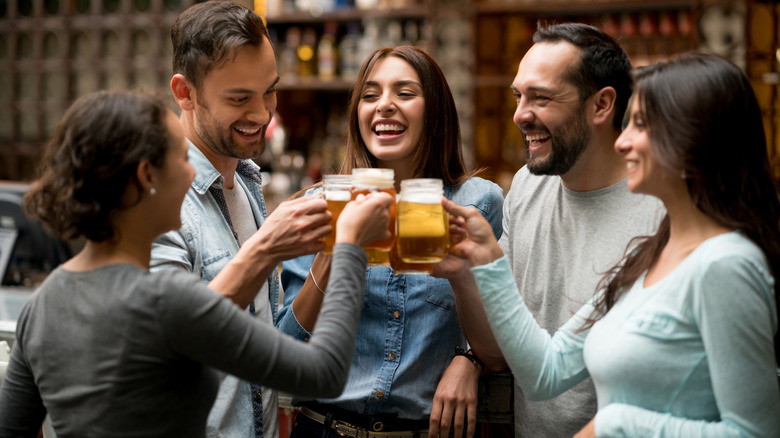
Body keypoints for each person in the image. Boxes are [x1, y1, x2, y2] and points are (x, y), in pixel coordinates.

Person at [0, 90, 395, 437]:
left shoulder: (44, 302)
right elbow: (323, 372)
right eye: (181, 159)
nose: (193, 173)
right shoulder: (168, 299)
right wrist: (349, 246)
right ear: (146, 176)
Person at [443, 52, 780, 437]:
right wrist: (486, 257)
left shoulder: (727, 265)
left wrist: (617, 425)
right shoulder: (649, 253)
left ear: (695, 145)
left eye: (640, 125)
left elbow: (755, 431)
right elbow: (545, 373)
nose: (622, 143)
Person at [276, 45, 504, 438]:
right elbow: (284, 354)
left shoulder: (475, 204)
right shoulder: (318, 205)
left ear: (434, 114)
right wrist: (335, 252)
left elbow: (497, 347)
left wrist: (470, 360)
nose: (384, 105)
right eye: (370, 95)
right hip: (323, 428)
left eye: (404, 93)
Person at [451, 22, 665, 437]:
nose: (519, 115)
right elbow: (501, 353)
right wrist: (463, 282)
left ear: (602, 105)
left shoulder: (661, 212)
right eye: (518, 96)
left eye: (541, 98)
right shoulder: (527, 188)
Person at [149, 2, 320, 437]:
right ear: (184, 93)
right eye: (240, 98)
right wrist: (268, 247)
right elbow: (167, 345)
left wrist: (334, 255)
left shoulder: (244, 182)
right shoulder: (156, 200)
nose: (264, 115)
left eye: (270, 92)